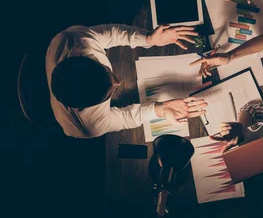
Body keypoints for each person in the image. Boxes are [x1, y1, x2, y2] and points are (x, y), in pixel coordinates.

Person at [46, 23, 208, 138]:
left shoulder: (72, 39)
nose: (118, 82)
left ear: (81, 56)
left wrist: (149, 39)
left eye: (107, 72)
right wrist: (162, 109)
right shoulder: (89, 127)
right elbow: (123, 119)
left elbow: (112, 34)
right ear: (86, 107)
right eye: (108, 93)